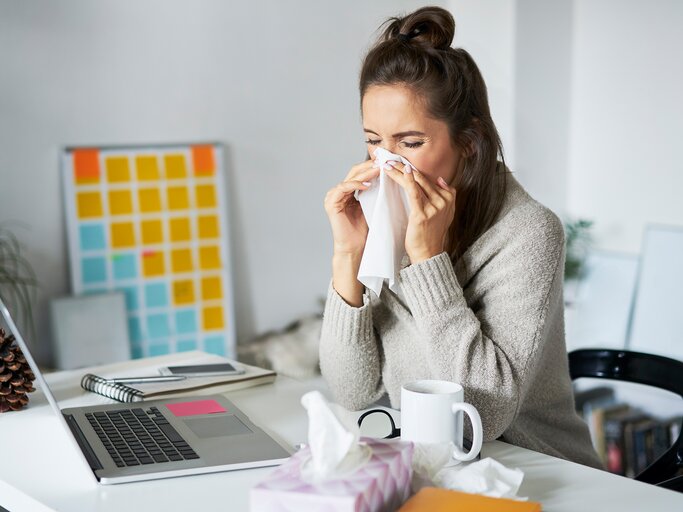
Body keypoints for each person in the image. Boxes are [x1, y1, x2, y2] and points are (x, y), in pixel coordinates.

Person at [320, 6, 602, 469]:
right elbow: (355, 393)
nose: (386, 163)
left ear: (468, 142)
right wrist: (347, 254)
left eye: (409, 143)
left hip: (533, 468)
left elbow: (480, 417)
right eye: (373, 140)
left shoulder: (530, 233)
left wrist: (428, 259)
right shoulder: (381, 217)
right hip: (430, 467)